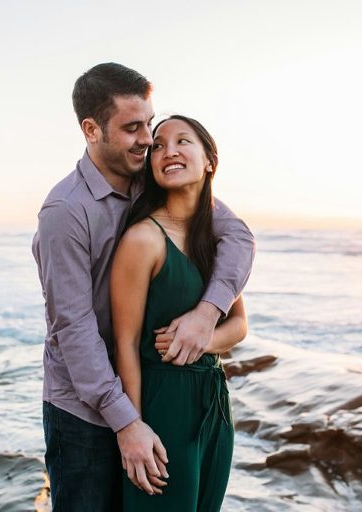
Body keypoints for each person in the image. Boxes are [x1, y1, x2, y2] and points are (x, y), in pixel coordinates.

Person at [32, 63, 255, 512]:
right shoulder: (66, 212)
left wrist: (206, 315)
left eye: (148, 124)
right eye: (132, 128)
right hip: (86, 411)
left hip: (149, 398)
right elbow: (74, 329)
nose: (148, 139)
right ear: (91, 130)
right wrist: (126, 422)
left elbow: (237, 237)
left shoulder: (153, 181)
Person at [112, 115, 248, 511]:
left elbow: (239, 324)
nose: (168, 151)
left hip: (215, 406)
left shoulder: (219, 242)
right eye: (158, 146)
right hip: (162, 405)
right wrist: (133, 427)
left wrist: (203, 337)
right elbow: (124, 344)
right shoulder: (143, 239)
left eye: (182, 141)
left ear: (209, 161)